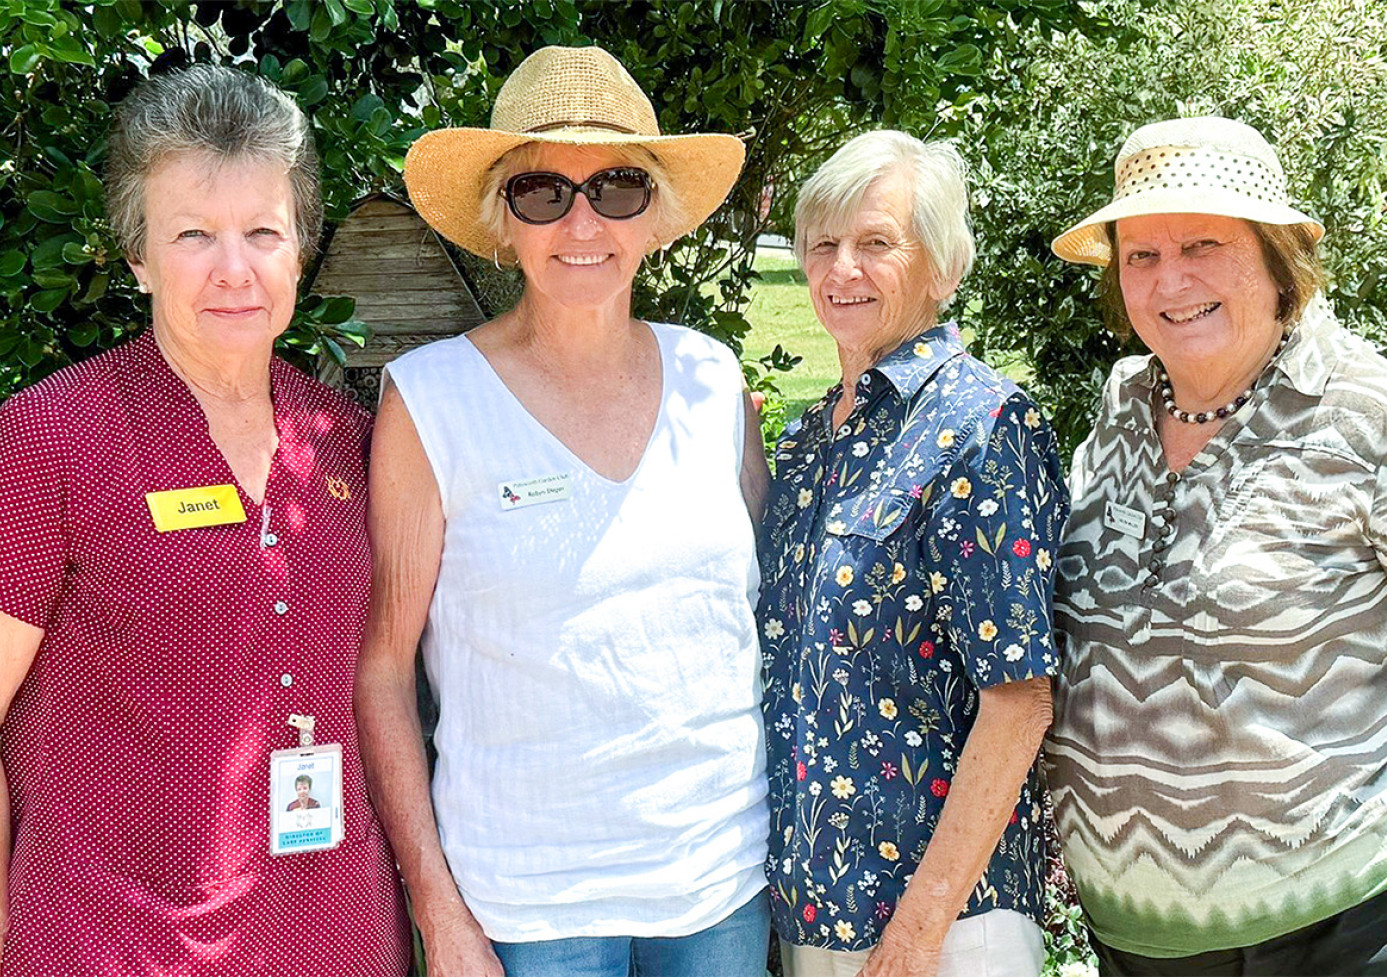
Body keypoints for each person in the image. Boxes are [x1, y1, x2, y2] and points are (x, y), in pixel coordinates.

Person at [355, 45, 771, 977]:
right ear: (504, 220)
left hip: (719, 887)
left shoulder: (712, 376)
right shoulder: (431, 400)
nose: (582, 221)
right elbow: (382, 665)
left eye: (617, 187)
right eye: (543, 192)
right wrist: (436, 905)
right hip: (526, 906)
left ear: (656, 216)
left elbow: (755, 616)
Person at [0, 65, 409, 974]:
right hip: (109, 943)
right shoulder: (50, 436)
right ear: (137, 256)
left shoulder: (347, 441)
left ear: (301, 248)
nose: (235, 269)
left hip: (331, 938)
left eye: (263, 231)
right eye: (193, 233)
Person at [1047, 116, 1387, 975]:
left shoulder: (1380, 416)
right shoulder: (1123, 403)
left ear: (1279, 261)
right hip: (1145, 938)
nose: (1172, 278)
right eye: (1142, 254)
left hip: (1375, 924)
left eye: (1203, 243)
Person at [757, 129, 1069, 977]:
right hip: (813, 910)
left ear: (942, 267)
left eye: (875, 243)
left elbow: (1019, 700)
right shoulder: (806, 441)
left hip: (947, 927)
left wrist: (919, 931)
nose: (841, 269)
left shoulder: (981, 425)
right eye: (823, 244)